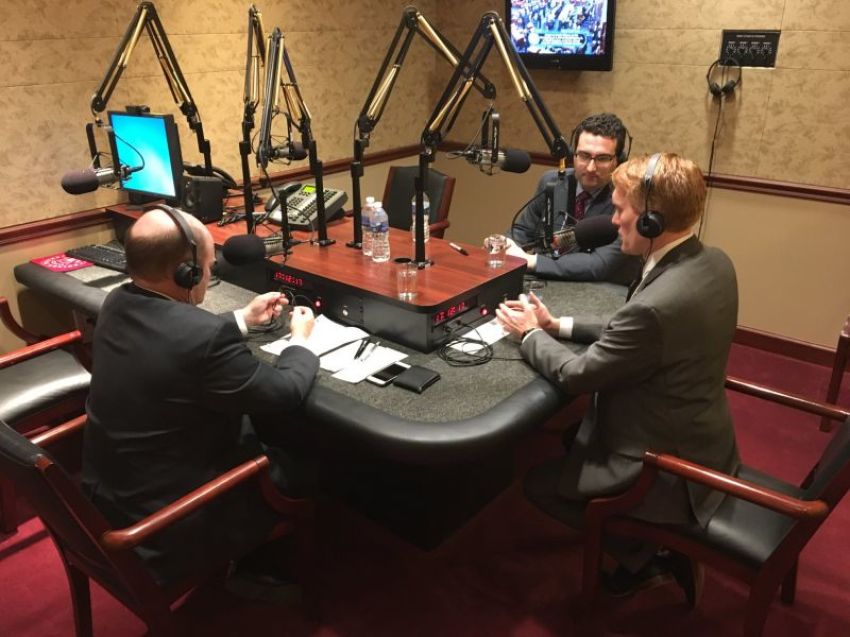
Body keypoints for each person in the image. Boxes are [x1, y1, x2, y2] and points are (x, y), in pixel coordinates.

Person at [496, 153, 739, 599]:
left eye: (620, 208)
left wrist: (529, 335)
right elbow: (641, 328)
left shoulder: (656, 305)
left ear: (650, 221)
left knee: (535, 486)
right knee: (571, 441)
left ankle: (644, 552)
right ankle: (646, 546)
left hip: (663, 467)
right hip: (708, 440)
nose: (613, 220)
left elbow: (576, 374)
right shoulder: (712, 261)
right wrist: (557, 325)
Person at [81, 205, 320, 588]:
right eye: (209, 267)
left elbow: (173, 340)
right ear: (185, 273)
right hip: (170, 525)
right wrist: (301, 342)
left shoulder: (117, 302)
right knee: (314, 457)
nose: (209, 275)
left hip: (109, 500)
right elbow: (285, 392)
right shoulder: (203, 337)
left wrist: (242, 318)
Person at [505, 112, 640, 285]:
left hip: (598, 293)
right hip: (545, 283)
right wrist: (505, 244)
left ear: (619, 160)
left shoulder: (628, 199)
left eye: (603, 158)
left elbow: (599, 264)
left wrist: (532, 261)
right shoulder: (551, 182)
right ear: (572, 155)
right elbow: (523, 230)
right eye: (584, 156)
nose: (591, 168)